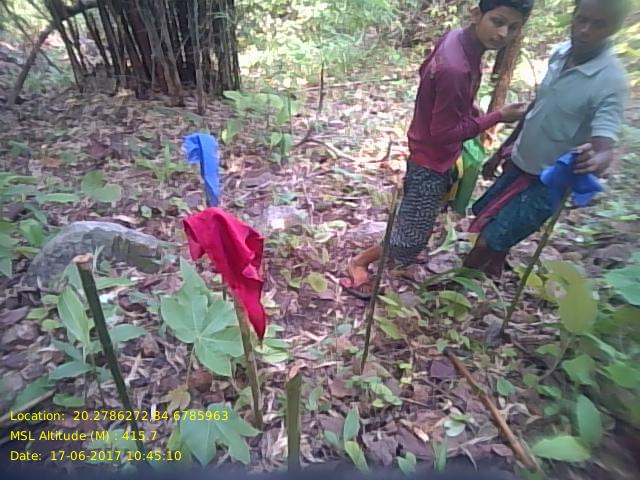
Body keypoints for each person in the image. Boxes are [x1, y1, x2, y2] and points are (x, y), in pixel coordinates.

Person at [340, 0, 534, 299]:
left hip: (431, 152)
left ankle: (395, 253)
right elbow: (442, 133)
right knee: (410, 237)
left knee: (416, 218)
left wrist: (466, 108)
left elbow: (426, 73)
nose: (503, 34)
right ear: (477, 14)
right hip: (430, 159)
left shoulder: (459, 39)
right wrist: (496, 117)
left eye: (513, 27)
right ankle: (360, 263)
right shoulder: (456, 67)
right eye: (497, 21)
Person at [463, 0, 631, 278]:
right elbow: (537, 108)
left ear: (614, 28)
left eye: (598, 24)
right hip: (520, 160)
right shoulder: (560, 53)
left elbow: (605, 144)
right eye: (581, 19)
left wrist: (597, 159)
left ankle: (455, 287)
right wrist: (504, 148)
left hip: (548, 182)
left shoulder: (611, 81)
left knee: (486, 241)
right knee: (490, 218)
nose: (585, 29)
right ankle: (493, 268)